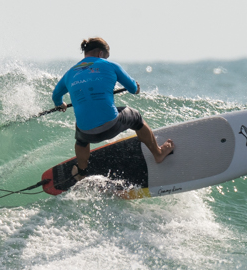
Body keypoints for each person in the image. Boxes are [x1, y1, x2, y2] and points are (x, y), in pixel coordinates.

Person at [52, 37, 174, 181]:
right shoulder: (110, 66)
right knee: (135, 116)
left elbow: (56, 96)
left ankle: (81, 171)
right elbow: (133, 89)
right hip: (111, 126)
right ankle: (158, 153)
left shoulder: (70, 73)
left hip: (87, 133)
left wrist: (61, 104)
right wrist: (136, 87)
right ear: (100, 54)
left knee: (81, 138)